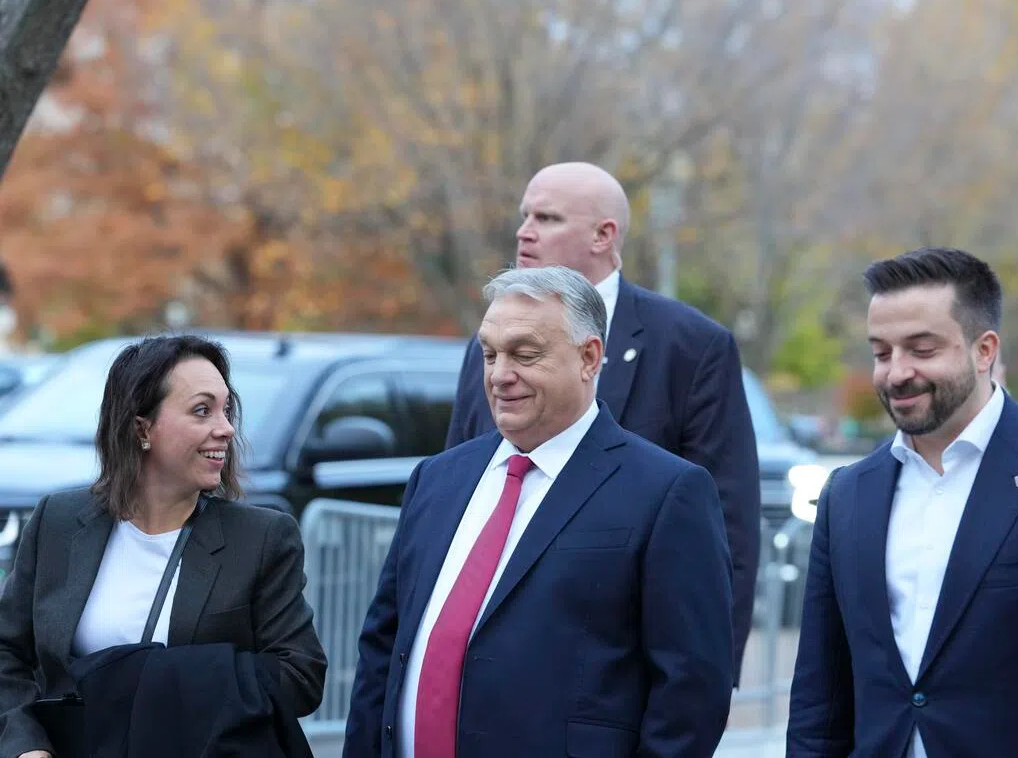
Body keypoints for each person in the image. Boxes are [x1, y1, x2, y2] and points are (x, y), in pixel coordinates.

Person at [346, 266, 735, 757]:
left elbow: (690, 692)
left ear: (589, 358)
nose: (500, 375)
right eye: (489, 354)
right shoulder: (439, 479)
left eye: (525, 354)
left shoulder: (666, 491)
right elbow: (384, 647)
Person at [786, 247, 1018, 757]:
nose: (896, 373)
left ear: (984, 350)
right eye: (881, 353)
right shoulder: (847, 495)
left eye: (922, 350)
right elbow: (820, 700)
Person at [445, 162, 760, 679]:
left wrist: (710, 682)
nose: (524, 231)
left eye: (546, 218)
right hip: (486, 664)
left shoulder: (690, 347)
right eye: (525, 215)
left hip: (615, 668)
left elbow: (729, 532)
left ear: (603, 235)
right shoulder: (490, 343)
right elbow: (457, 484)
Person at [0, 335, 327, 758]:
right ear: (142, 428)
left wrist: (157, 679)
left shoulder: (262, 537)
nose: (225, 427)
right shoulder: (58, 521)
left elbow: (302, 676)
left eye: (226, 409)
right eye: (201, 410)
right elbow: (7, 652)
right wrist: (27, 747)